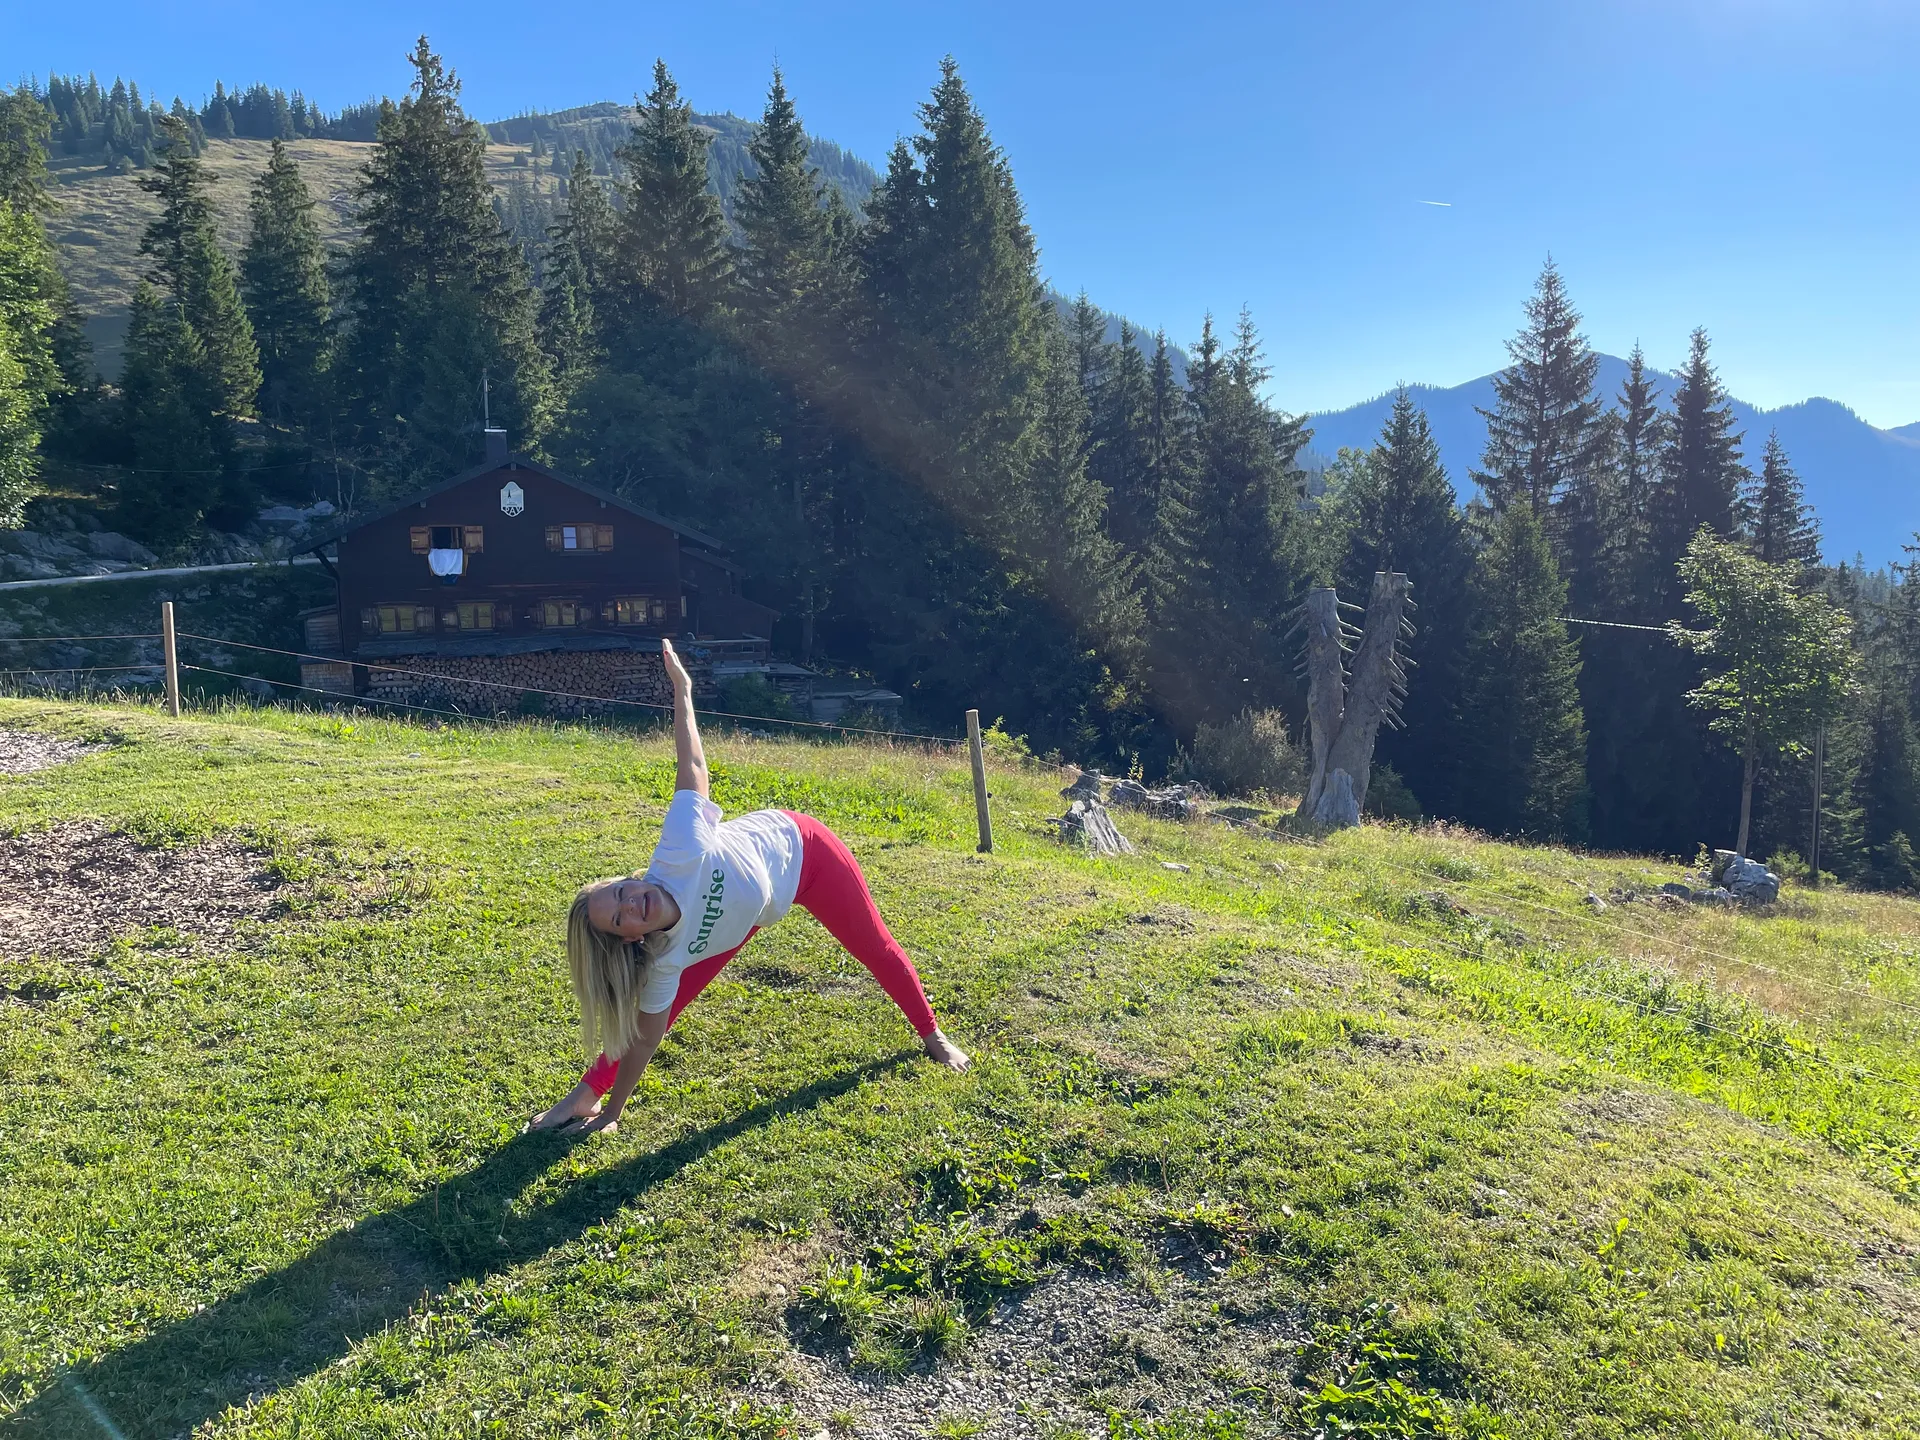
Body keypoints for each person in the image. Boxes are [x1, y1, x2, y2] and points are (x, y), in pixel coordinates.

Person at [530, 637, 969, 1136]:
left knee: (874, 945)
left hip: (804, 854)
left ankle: (932, 1034)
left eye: (622, 892)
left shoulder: (679, 849)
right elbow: (647, 1038)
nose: (632, 903)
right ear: (630, 938)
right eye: (619, 917)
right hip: (748, 912)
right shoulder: (663, 960)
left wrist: (684, 690)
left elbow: (692, 764)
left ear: (631, 880)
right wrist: (610, 1113)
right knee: (667, 1004)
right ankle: (587, 1094)